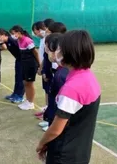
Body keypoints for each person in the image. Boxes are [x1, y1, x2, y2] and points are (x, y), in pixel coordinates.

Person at [36, 30, 101, 164]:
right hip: (81, 150)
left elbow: (56, 129)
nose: (56, 52)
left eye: (59, 48)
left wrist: (41, 143)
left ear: (69, 53)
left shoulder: (71, 89)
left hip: (64, 154)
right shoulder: (88, 76)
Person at [39, 33, 69, 132]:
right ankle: (50, 121)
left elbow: (62, 108)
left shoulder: (61, 74)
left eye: (49, 49)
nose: (47, 51)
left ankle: (51, 123)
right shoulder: (60, 71)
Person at [10, 25, 41, 110]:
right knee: (25, 83)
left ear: (19, 33)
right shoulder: (19, 40)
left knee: (29, 83)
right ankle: (28, 101)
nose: (12, 36)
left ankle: (31, 103)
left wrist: (40, 65)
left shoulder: (28, 41)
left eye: (13, 33)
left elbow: (36, 53)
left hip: (31, 65)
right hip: (24, 65)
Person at [0, 29, 24, 103]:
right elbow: (3, 47)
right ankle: (15, 94)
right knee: (17, 78)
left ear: (5, 35)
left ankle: (20, 96)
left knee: (21, 78)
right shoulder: (6, 41)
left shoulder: (13, 41)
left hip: (24, 61)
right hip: (18, 60)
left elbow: (22, 50)